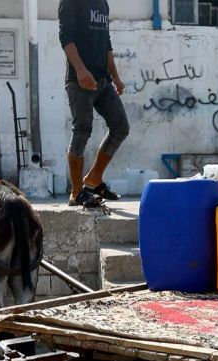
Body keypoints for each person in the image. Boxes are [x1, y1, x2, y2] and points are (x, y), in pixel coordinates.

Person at [58, 0, 129, 208]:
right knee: (81, 130)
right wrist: (80, 69)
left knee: (120, 127)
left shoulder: (103, 3)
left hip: (103, 80)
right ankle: (76, 192)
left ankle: (94, 178)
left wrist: (115, 76)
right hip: (79, 80)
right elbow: (66, 38)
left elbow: (106, 43)